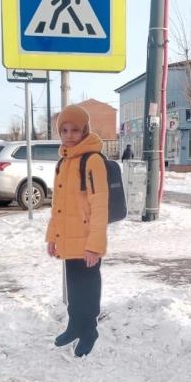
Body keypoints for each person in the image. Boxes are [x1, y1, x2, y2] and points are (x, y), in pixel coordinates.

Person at [46, 105, 108, 358]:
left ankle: (89, 330)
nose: (69, 135)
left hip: (86, 240)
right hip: (68, 238)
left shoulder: (91, 160)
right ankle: (75, 325)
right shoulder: (63, 163)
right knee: (74, 285)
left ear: (85, 131)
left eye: (75, 130)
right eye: (64, 130)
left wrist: (95, 245)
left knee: (88, 286)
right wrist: (52, 236)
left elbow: (100, 204)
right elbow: (57, 206)